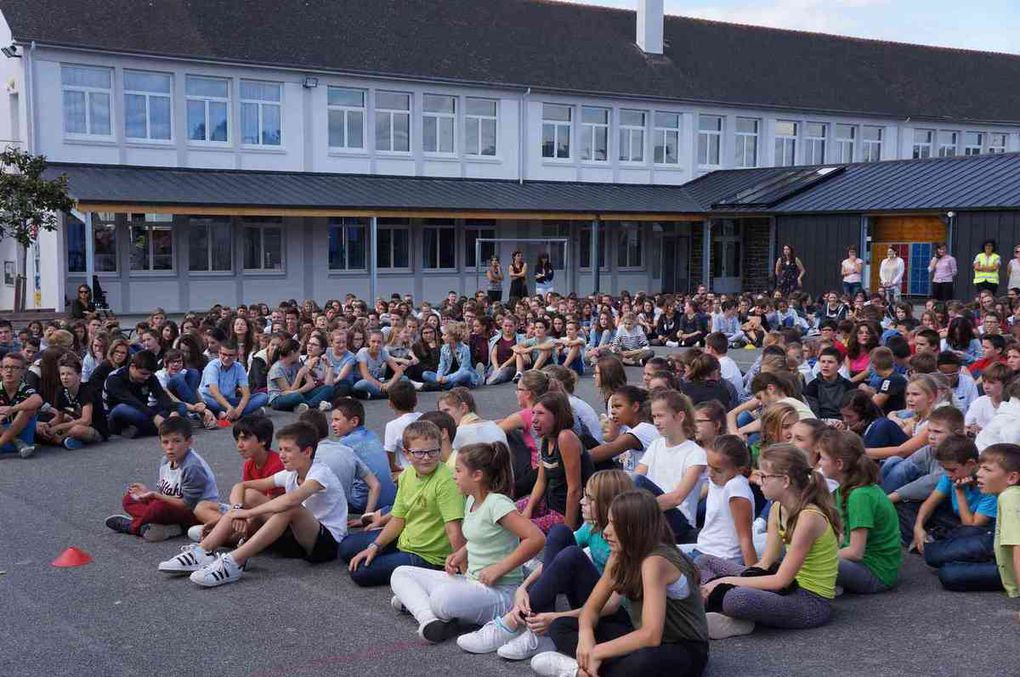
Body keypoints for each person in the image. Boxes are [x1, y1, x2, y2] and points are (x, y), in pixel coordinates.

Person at [456, 469, 634, 660]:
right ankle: (533, 626)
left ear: (608, 503)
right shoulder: (592, 526)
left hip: (612, 619)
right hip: (589, 602)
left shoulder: (624, 542)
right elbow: (555, 560)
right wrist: (523, 588)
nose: (581, 501)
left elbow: (611, 606)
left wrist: (555, 618)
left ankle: (515, 622)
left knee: (572, 555)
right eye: (584, 495)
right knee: (559, 533)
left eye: (589, 499)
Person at [531, 489, 709, 677]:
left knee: (643, 662)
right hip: (641, 635)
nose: (606, 531)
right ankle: (591, 668)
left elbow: (651, 635)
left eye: (614, 525)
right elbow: (591, 609)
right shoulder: (619, 554)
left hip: (682, 649)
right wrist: (585, 636)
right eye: (608, 522)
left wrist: (596, 651)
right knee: (561, 625)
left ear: (635, 528)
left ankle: (578, 671)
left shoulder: (655, 562)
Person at [159, 422, 349, 587]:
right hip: (298, 537)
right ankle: (203, 550)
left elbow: (291, 500)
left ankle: (234, 562)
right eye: (281, 449)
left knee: (290, 507)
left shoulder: (320, 473)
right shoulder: (290, 473)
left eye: (288, 450)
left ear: (307, 452)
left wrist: (247, 514)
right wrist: (238, 509)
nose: (281, 455)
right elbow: (241, 486)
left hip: (326, 544)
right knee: (250, 495)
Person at [390, 442, 545, 643]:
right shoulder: (471, 499)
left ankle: (423, 607)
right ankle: (429, 620)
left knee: (440, 598)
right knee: (401, 573)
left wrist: (499, 568)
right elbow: (480, 537)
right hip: (473, 581)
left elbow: (536, 538)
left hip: (501, 592)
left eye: (458, 470)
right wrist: (461, 554)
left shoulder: (497, 503)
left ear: (477, 475)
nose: (454, 475)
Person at [698, 444, 839, 639]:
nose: (757, 480)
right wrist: (726, 583)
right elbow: (765, 564)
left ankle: (723, 613)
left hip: (809, 601)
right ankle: (724, 611)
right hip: (785, 589)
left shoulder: (809, 517)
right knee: (705, 561)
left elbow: (780, 580)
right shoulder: (777, 507)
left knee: (737, 598)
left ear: (785, 480)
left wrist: (723, 583)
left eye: (764, 476)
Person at [340, 421, 466, 587]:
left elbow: (453, 529)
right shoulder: (406, 475)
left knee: (360, 572)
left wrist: (464, 570)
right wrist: (375, 546)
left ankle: (432, 570)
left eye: (432, 451)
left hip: (429, 555)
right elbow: (398, 518)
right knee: (346, 547)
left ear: (439, 448)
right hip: (406, 538)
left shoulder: (447, 480)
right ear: (407, 453)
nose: (427, 457)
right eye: (419, 453)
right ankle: (392, 553)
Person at [906, 434, 1000, 592]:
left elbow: (970, 526)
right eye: (945, 469)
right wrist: (918, 527)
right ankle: (935, 539)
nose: (948, 474)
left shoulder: (989, 487)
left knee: (944, 558)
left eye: (952, 469)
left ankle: (942, 543)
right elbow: (929, 503)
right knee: (908, 508)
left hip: (978, 528)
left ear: (970, 464)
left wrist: (960, 492)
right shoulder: (950, 477)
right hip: (956, 523)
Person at [105, 417, 219, 542]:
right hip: (171, 507)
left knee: (158, 507)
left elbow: (187, 505)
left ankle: (133, 527)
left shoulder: (193, 467)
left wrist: (155, 496)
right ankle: (169, 526)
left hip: (195, 512)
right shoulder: (165, 461)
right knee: (129, 498)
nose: (170, 447)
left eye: (176, 441)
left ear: (189, 442)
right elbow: (166, 493)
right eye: (165, 442)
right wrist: (146, 493)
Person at [816, 430, 901, 594]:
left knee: (813, 560)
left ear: (839, 464)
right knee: (803, 548)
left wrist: (816, 555)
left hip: (876, 573)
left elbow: (856, 552)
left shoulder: (860, 496)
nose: (819, 463)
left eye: (823, 458)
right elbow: (842, 534)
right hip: (860, 564)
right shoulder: (845, 489)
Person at [633, 390, 706, 544]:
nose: (656, 422)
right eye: (654, 417)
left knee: (637, 482)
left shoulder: (696, 453)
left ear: (679, 417)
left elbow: (677, 497)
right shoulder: (656, 444)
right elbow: (633, 477)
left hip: (679, 523)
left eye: (660, 416)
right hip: (653, 515)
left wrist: (638, 511)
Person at [519, 392, 594, 533]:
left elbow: (575, 490)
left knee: (516, 529)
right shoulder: (546, 438)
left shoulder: (566, 438)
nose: (533, 419)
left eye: (540, 413)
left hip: (563, 512)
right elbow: (541, 481)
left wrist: (568, 531)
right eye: (533, 413)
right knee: (506, 514)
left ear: (557, 416)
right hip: (549, 502)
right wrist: (528, 509)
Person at [692, 435, 757, 566]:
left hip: (721, 559)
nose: (710, 473)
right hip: (701, 550)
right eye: (709, 466)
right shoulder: (717, 479)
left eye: (717, 470)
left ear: (740, 469)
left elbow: (745, 539)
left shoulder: (736, 487)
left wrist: (754, 577)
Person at [330, 397, 397, 515]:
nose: (332, 424)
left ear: (354, 421)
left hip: (364, 502)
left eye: (337, 420)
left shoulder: (345, 444)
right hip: (391, 499)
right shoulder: (372, 435)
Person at [104, 350, 186, 438]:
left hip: (143, 411)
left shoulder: (150, 377)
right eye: (143, 374)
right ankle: (167, 427)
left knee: (181, 407)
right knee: (123, 408)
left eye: (149, 374)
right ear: (132, 367)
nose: (146, 377)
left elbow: (160, 395)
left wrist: (173, 411)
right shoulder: (115, 378)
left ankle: (144, 430)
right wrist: (154, 417)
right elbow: (130, 401)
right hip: (119, 414)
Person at [976, 443, 1020, 598]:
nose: (979, 474)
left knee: (950, 574)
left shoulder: (1010, 497)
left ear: (1012, 477)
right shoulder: (1006, 495)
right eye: (980, 467)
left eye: (987, 469)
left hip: (1012, 575)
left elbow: (1019, 547)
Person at [44, 352, 107, 449]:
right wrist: (48, 426)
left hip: (93, 428)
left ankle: (60, 440)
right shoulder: (61, 391)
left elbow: (86, 420)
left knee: (76, 430)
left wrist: (58, 428)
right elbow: (59, 417)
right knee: (41, 430)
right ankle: (65, 441)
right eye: (62, 374)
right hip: (73, 424)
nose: (65, 378)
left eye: (69, 374)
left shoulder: (86, 390)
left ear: (79, 375)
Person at [590, 386, 659, 473]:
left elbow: (607, 450)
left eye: (618, 406)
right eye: (612, 407)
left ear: (635, 407)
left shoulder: (642, 430)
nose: (612, 412)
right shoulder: (632, 429)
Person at [199, 340, 268, 421]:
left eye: (230, 355)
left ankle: (227, 415)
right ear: (219, 353)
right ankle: (247, 414)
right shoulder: (212, 366)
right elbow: (214, 392)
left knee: (263, 397)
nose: (227, 358)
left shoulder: (239, 367)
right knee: (211, 403)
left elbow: (246, 393)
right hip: (211, 399)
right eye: (224, 354)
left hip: (230, 400)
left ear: (236, 356)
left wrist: (239, 410)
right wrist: (229, 407)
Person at [437, 388, 508, 456]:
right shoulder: (495, 427)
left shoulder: (459, 434)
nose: (442, 416)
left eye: (446, 410)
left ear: (463, 408)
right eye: (440, 412)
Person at [0, 351, 42, 458]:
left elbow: (38, 400)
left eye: (14, 367)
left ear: (23, 371)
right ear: (1, 370)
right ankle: (16, 442)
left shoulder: (25, 388)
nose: (9, 371)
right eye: (6, 367)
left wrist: (12, 409)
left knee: (29, 408)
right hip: (17, 443)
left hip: (23, 436)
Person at [423, 321, 482, 390]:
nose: (442, 337)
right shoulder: (444, 348)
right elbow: (442, 365)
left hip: (459, 376)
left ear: (452, 337)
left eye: (445, 335)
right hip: (448, 375)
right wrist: (439, 376)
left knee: (466, 374)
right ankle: (451, 385)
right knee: (426, 374)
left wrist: (447, 378)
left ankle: (445, 385)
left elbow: (464, 368)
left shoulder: (465, 348)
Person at [804, 347, 856, 420]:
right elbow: (813, 412)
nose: (825, 365)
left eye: (830, 362)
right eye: (823, 362)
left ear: (839, 365)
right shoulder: (812, 386)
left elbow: (851, 411)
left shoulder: (848, 385)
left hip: (842, 422)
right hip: (820, 423)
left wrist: (844, 423)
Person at [383, 381, 422, 475]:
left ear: (390, 404)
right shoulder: (424, 417)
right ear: (416, 401)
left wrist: (394, 467)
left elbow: (389, 454)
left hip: (409, 471)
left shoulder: (392, 426)